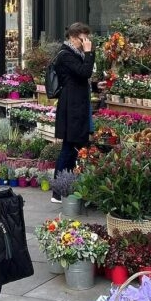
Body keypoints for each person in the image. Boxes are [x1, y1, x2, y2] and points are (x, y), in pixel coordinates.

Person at [53, 22, 95, 187]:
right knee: (69, 148)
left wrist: (96, 85)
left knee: (75, 148)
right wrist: (89, 53)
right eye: (82, 38)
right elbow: (84, 72)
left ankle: (67, 185)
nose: (85, 41)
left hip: (77, 106)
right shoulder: (66, 54)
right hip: (72, 108)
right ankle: (59, 189)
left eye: (87, 37)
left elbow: (80, 79)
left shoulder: (75, 53)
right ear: (72, 37)